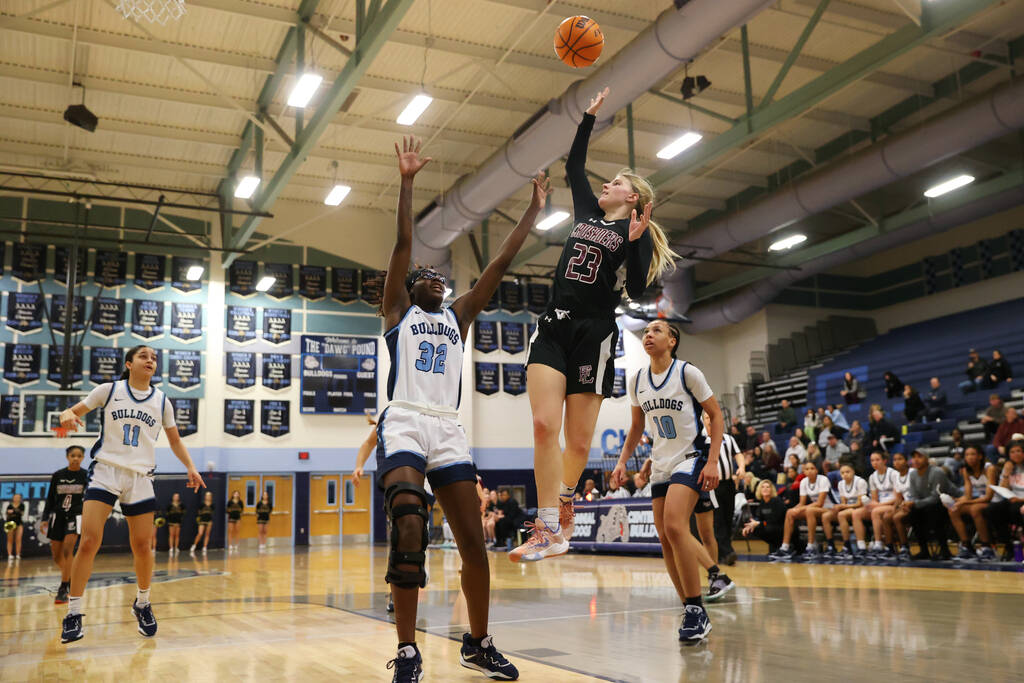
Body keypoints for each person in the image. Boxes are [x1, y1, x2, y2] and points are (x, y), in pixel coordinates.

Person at [378, 137, 543, 681]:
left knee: (474, 543)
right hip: (404, 417)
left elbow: (501, 262)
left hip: (449, 429)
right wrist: (406, 181)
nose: (431, 274)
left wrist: (532, 212)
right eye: (422, 272)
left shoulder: (460, 315)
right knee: (408, 518)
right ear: (407, 288)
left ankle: (477, 642)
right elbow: (404, 242)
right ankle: (407, 649)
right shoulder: (398, 310)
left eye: (436, 273)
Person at [513, 87, 677, 565]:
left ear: (634, 197)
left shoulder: (632, 235)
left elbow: (644, 294)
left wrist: (641, 240)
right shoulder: (587, 213)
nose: (606, 185)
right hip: (555, 326)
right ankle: (546, 526)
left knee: (579, 441)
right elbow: (572, 167)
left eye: (616, 183)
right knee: (545, 424)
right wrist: (587, 119)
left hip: (596, 333)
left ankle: (563, 503)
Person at [56, 344, 205, 644]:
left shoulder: (162, 401)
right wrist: (66, 416)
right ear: (129, 363)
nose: (150, 360)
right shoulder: (108, 390)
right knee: (89, 541)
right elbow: (69, 412)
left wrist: (191, 466)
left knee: (142, 545)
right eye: (144, 356)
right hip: (106, 470)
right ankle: (73, 613)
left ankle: (143, 603)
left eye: (153, 357)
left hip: (140, 476)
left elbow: (175, 441)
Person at [610, 318, 726, 639]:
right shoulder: (637, 380)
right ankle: (688, 606)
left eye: (656, 330)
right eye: (646, 331)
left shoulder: (688, 373)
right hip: (660, 463)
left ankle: (695, 608)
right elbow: (636, 427)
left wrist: (713, 460)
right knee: (664, 537)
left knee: (676, 526)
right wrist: (623, 462)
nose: (648, 334)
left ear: (672, 341)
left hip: (690, 458)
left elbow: (716, 415)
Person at [43, 445, 89, 602]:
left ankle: (63, 587)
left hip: (76, 515)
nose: (75, 458)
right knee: (56, 556)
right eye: (72, 455)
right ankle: (70, 577)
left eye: (79, 456)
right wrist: (44, 517)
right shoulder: (58, 475)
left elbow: (90, 500)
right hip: (58, 516)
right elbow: (50, 498)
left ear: (83, 458)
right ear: (67, 457)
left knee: (68, 550)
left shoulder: (86, 476)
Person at [770, 461, 831, 561]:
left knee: (809, 511)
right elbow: (802, 503)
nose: (810, 471)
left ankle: (811, 547)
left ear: (816, 470)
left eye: (812, 468)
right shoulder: (803, 482)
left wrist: (801, 509)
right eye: (807, 469)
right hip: (813, 509)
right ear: (804, 472)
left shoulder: (823, 479)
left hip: (828, 508)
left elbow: (820, 503)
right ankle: (785, 548)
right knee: (790, 512)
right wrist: (795, 509)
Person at [902, 449, 954, 560]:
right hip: (926, 505)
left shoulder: (937, 472)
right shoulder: (912, 474)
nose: (916, 460)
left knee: (934, 511)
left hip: (947, 503)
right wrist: (912, 504)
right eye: (914, 457)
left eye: (919, 457)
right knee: (913, 513)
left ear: (927, 459)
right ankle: (924, 550)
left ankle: (945, 550)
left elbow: (936, 497)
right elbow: (914, 495)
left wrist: (915, 503)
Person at [947, 446, 997, 561]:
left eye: (973, 454)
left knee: (975, 509)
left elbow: (989, 497)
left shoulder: (989, 469)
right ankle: (967, 546)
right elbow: (968, 495)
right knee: (953, 509)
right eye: (967, 455)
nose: (969, 457)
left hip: (995, 500)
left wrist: (965, 501)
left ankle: (986, 547)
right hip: (978, 500)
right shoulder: (966, 470)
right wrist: (955, 500)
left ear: (980, 456)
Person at [983, 440, 1024, 561]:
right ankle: (1008, 546)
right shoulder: (1009, 467)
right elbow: (1003, 490)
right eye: (1012, 452)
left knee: (1013, 509)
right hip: (1013, 500)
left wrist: (1020, 499)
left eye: (1019, 451)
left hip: (1020, 501)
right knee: (991, 510)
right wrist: (1006, 473)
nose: (1016, 454)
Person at [710, 413, 743, 566]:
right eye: (707, 419)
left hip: (729, 483)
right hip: (712, 486)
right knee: (718, 520)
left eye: (712, 418)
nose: (710, 421)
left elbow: (738, 454)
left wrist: (742, 467)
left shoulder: (728, 438)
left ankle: (724, 553)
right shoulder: (702, 439)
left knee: (728, 517)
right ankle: (728, 552)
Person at [855, 451, 899, 559]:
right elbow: (874, 499)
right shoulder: (872, 477)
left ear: (884, 461)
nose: (874, 463)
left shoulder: (893, 474)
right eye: (872, 460)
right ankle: (861, 547)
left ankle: (878, 545)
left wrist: (878, 505)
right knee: (856, 513)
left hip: (893, 504)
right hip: (880, 505)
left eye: (877, 460)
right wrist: (871, 503)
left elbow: (897, 498)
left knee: (875, 511)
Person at [821, 464, 868, 560]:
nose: (845, 474)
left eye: (847, 472)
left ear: (853, 472)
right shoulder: (841, 484)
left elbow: (860, 503)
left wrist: (843, 506)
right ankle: (831, 546)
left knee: (842, 515)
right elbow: (843, 502)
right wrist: (839, 507)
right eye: (842, 473)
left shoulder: (860, 482)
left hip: (863, 508)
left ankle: (848, 545)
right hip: (849, 509)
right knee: (826, 516)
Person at [742, 479, 787, 553]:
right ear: (759, 490)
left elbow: (774, 521)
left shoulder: (777, 501)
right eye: (762, 487)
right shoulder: (762, 503)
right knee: (754, 529)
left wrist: (759, 523)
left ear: (771, 490)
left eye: (768, 487)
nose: (765, 489)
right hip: (771, 526)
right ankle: (774, 547)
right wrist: (750, 526)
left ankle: (781, 548)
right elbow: (759, 518)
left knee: (768, 527)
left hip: (782, 528)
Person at [887, 451, 915, 562]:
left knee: (897, 517)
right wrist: (894, 509)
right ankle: (890, 548)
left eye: (900, 459)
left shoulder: (913, 472)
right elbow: (899, 498)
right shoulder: (896, 476)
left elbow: (918, 492)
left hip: (915, 504)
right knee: (887, 516)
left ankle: (905, 547)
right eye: (894, 459)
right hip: (904, 505)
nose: (897, 462)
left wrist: (909, 503)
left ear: (906, 461)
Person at [4, 492, 26, 560]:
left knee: (18, 539)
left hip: (19, 523)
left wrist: (13, 512)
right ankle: (10, 554)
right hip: (10, 523)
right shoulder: (9, 505)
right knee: (10, 539)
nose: (16, 498)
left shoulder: (22, 505)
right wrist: (15, 512)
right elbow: (8, 513)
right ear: (13, 498)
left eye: (18, 497)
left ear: (20, 499)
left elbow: (21, 513)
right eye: (15, 497)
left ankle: (18, 554)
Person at [191, 491, 214, 555]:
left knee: (207, 534)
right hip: (202, 520)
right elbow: (199, 512)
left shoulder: (212, 505)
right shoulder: (202, 504)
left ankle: (205, 547)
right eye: (207, 495)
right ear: (205, 496)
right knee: (200, 533)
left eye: (209, 495)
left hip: (209, 521)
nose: (208, 497)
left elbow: (212, 513)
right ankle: (194, 545)